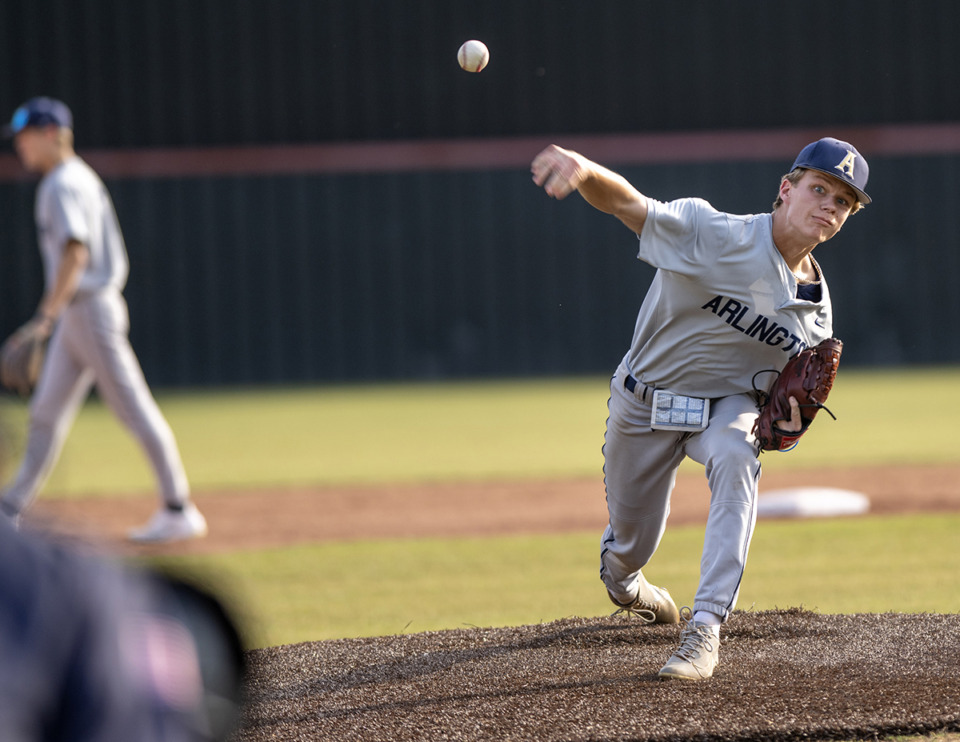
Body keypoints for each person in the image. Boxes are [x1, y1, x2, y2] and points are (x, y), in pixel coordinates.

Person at [530, 136, 870, 680]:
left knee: (738, 458)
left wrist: (782, 418)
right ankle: (630, 587)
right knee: (628, 550)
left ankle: (704, 629)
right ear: (786, 190)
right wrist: (585, 169)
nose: (829, 205)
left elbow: (785, 388)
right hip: (645, 403)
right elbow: (627, 204)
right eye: (820, 189)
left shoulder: (816, 313)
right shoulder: (715, 234)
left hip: (722, 409)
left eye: (844, 202)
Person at [0, 97, 207, 543]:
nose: (19, 145)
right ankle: (9, 508)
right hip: (81, 312)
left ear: (51, 134)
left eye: (25, 135)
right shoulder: (73, 178)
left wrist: (43, 319)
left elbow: (76, 252)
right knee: (46, 414)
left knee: (132, 408)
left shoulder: (61, 183)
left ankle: (178, 508)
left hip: (89, 309)